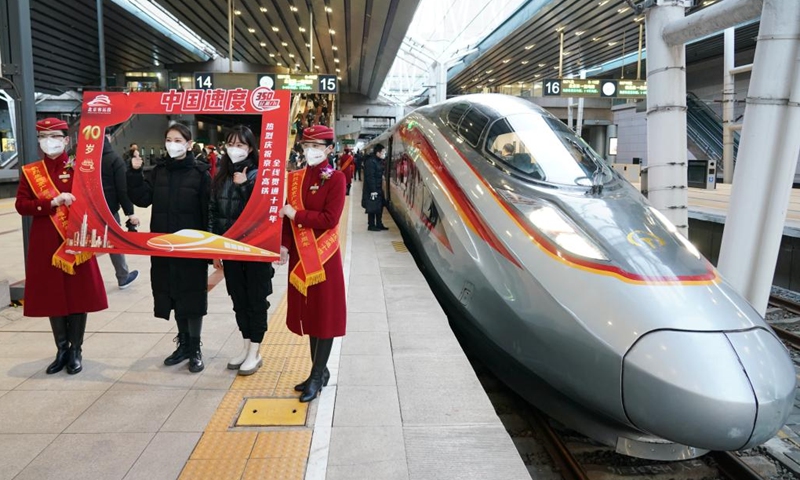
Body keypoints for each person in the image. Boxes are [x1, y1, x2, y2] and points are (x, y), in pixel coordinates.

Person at [15, 118, 108, 375]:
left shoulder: (81, 167)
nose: (49, 142)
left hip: (75, 239)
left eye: (55, 136)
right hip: (45, 240)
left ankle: (76, 349)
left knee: (78, 293)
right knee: (52, 294)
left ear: (66, 140)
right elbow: (21, 205)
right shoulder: (31, 172)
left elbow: (97, 200)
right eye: (44, 138)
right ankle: (61, 349)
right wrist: (51, 203)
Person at [127, 123, 211, 373]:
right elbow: (142, 198)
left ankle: (195, 348)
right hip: (163, 245)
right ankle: (183, 343)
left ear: (188, 143)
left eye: (178, 140)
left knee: (192, 295)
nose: (172, 144)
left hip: (191, 247)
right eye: (169, 139)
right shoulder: (159, 171)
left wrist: (209, 249)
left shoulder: (200, 173)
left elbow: (208, 211)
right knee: (173, 293)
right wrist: (134, 173)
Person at [277, 125, 346, 403]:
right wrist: (283, 245)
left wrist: (297, 214)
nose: (311, 151)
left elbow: (330, 219)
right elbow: (285, 215)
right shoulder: (295, 178)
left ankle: (317, 377)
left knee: (324, 315)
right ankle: (318, 371)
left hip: (325, 258)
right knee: (310, 313)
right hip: (300, 257)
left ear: (329, 149)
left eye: (317, 146)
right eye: (307, 146)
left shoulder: (337, 178)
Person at [209, 125, 275, 376]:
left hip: (255, 249)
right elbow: (213, 211)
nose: (235, 149)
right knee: (238, 299)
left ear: (250, 148)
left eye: (241, 145)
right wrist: (214, 248)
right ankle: (246, 346)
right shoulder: (220, 175)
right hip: (230, 248)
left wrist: (244, 185)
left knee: (256, 300)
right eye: (231, 144)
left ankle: (255, 351)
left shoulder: (260, 174)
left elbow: (263, 212)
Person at [101, 135, 140, 289]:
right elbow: (123, 188)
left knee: (83, 241)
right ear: (108, 137)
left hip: (84, 208)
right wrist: (130, 213)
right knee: (113, 241)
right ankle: (123, 276)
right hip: (109, 209)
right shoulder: (114, 159)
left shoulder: (83, 156)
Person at [363, 143, 388, 231]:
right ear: (378, 153)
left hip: (378, 187)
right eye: (383, 152)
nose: (384, 154)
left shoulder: (377, 161)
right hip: (372, 189)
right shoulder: (371, 162)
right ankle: (371, 225)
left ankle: (379, 224)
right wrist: (373, 190)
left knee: (379, 206)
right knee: (372, 207)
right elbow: (370, 177)